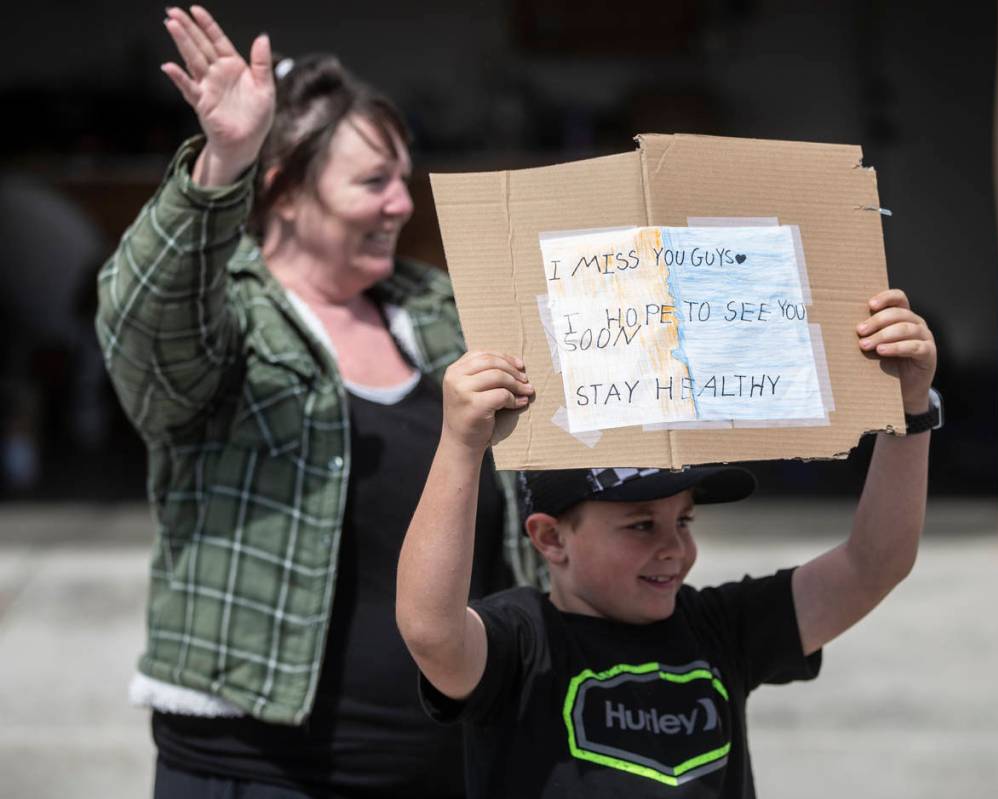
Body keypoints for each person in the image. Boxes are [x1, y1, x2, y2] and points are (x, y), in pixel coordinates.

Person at [95, 6, 538, 797]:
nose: (402, 203)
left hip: (450, 762)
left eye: (402, 178)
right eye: (374, 181)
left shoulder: (435, 310)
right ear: (287, 195)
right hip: (255, 772)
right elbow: (142, 323)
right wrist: (223, 160)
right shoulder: (225, 311)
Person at [396, 288, 938, 798]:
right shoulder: (522, 643)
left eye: (684, 521)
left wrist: (913, 411)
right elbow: (429, 629)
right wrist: (461, 443)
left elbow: (874, 565)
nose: (674, 548)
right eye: (640, 525)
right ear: (551, 537)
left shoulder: (719, 628)